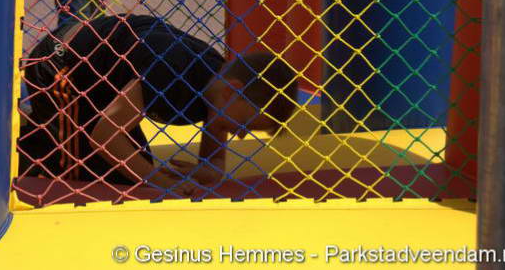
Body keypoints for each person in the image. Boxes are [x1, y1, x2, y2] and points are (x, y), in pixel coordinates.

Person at [19, 14, 299, 195]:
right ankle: (24, 146)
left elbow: (214, 153)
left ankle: (41, 130)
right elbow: (105, 137)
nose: (240, 135)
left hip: (105, 82)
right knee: (85, 179)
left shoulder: (218, 90)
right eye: (245, 125)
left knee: (129, 174)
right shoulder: (172, 72)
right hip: (64, 66)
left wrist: (211, 167)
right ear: (232, 91)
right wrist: (162, 183)